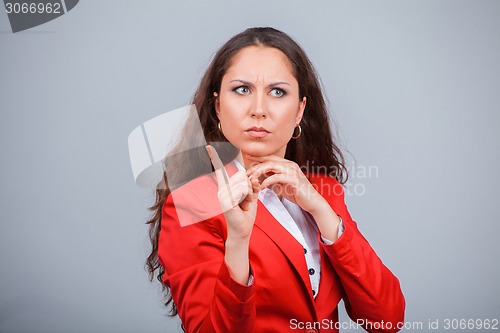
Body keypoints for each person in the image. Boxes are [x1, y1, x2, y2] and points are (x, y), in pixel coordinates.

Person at [146, 27, 405, 333]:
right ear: (218, 106)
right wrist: (238, 244)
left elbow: (387, 319)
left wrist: (321, 211)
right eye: (242, 89)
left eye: (277, 91)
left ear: (299, 111)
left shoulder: (323, 191)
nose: (258, 110)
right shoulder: (191, 203)